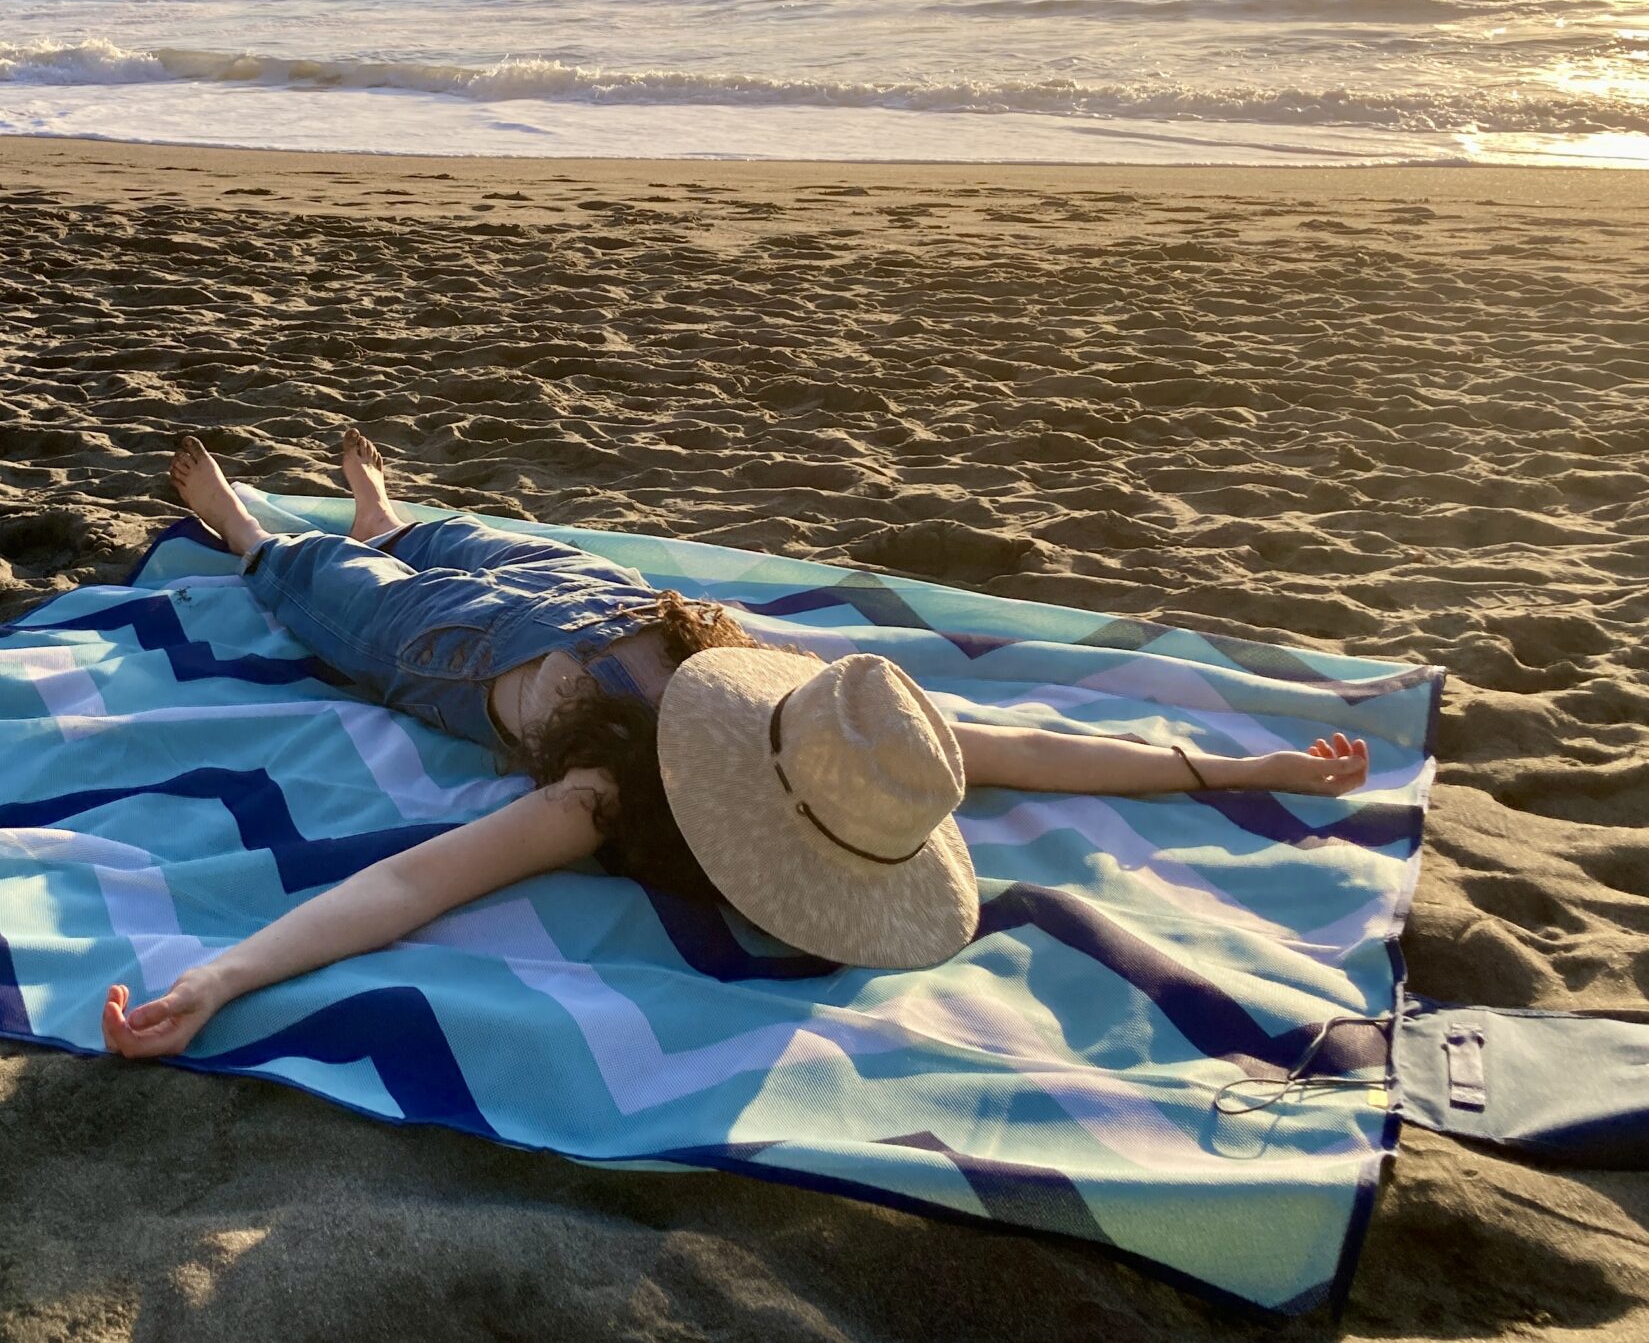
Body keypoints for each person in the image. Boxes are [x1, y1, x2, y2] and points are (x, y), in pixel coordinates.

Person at [102, 432, 1369, 1058]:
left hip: (461, 657)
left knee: (323, 585)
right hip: (609, 601)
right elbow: (1031, 750)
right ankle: (390, 507)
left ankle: (246, 525)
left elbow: (405, 887)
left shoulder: (605, 796)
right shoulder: (817, 709)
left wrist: (221, 978)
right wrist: (1245, 768)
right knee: (476, 540)